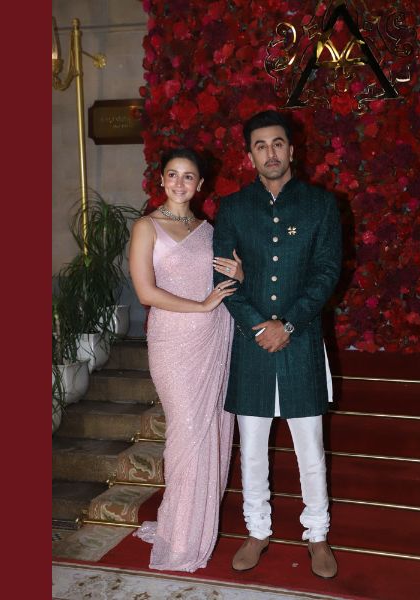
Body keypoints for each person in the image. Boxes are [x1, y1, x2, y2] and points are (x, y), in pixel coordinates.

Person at [213, 110, 342, 579]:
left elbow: (326, 272)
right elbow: (222, 277)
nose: (271, 152)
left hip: (301, 340)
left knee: (311, 448)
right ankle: (257, 531)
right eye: (261, 145)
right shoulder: (232, 209)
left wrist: (286, 323)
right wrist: (257, 325)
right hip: (251, 345)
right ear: (250, 155)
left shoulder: (320, 205)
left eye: (278, 143)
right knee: (251, 447)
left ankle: (318, 534)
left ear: (292, 149)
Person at [129, 147, 244, 572]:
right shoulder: (146, 227)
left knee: (213, 428)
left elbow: (227, 279)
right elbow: (146, 292)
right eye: (173, 175)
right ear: (161, 180)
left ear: (200, 185)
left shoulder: (209, 230)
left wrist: (239, 276)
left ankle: (189, 526)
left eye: (189, 176)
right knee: (187, 432)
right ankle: (180, 536)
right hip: (173, 341)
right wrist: (200, 305)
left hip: (214, 337)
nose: (180, 183)